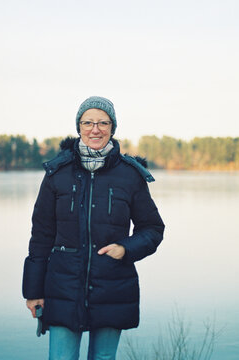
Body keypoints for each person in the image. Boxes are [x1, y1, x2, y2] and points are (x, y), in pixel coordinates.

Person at [22, 96, 165, 360]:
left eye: (102, 122)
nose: (95, 129)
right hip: (62, 286)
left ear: (112, 127)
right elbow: (41, 235)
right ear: (79, 127)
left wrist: (125, 248)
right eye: (88, 122)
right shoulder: (57, 173)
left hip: (113, 286)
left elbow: (153, 229)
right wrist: (33, 292)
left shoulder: (130, 175)